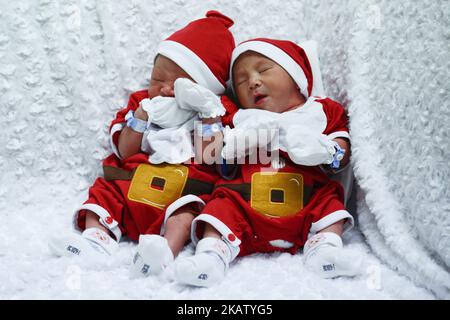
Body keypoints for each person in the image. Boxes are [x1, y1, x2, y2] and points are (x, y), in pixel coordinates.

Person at [48, 11, 237, 278]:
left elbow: (211, 157)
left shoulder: (217, 110)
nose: (164, 89)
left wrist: (207, 113)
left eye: (177, 84)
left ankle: (162, 254)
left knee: (186, 214)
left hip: (182, 190)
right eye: (157, 79)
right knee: (104, 193)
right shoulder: (141, 103)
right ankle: (95, 240)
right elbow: (125, 151)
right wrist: (141, 117)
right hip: (132, 183)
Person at [174, 38, 362, 287]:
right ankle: (211, 256)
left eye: (263, 70)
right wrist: (221, 131)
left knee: (329, 202)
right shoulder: (238, 116)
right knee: (221, 205)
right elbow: (209, 156)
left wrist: (326, 150)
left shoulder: (322, 111)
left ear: (296, 78)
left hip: (306, 200)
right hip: (245, 203)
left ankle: (325, 248)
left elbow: (343, 152)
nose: (253, 81)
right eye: (242, 81)